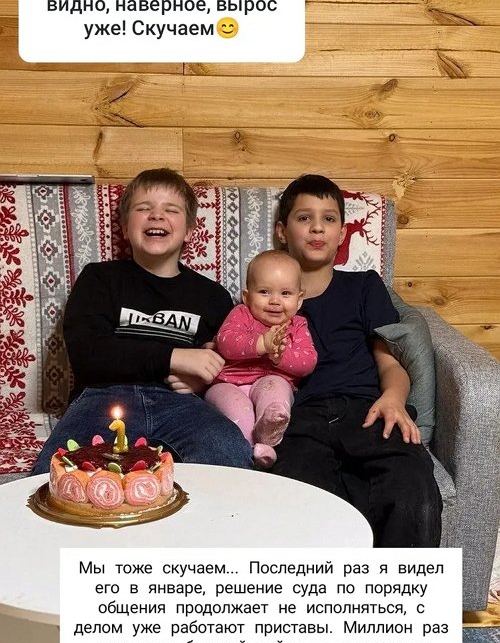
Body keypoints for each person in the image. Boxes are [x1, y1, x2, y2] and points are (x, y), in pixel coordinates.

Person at [32, 168, 253, 474]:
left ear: (190, 230)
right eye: (143, 208)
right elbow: (87, 353)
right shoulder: (100, 278)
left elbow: (230, 361)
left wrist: (204, 379)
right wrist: (174, 358)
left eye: (171, 210)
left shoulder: (212, 295)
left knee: (229, 451)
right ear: (125, 227)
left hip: (181, 404)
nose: (157, 216)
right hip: (102, 397)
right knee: (57, 475)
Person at [272, 174, 442, 552]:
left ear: (342, 233)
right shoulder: (269, 297)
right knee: (300, 505)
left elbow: (390, 362)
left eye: (329, 219)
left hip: (367, 410)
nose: (317, 227)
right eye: (304, 218)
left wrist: (394, 398)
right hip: (302, 418)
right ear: (282, 232)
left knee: (413, 491)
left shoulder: (363, 286)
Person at [204, 250, 317, 468]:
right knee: (238, 409)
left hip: (269, 380)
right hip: (227, 383)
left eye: (286, 293)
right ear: (247, 297)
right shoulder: (241, 314)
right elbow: (226, 342)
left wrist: (279, 357)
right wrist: (261, 345)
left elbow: (308, 362)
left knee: (276, 390)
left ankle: (267, 439)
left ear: (299, 299)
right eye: (264, 292)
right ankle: (249, 449)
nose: (275, 301)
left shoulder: (297, 325)